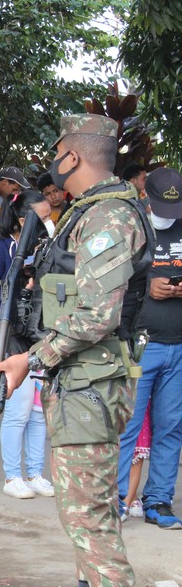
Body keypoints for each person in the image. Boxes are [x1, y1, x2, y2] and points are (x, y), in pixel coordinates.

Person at [0, 114, 150, 587]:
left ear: (73, 156)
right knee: (84, 512)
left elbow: (99, 315)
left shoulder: (108, 216)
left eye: (57, 152)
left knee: (88, 514)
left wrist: (32, 358)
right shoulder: (90, 211)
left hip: (92, 382)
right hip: (82, 379)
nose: (53, 162)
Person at [0, 190, 54, 499]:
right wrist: (18, 296)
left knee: (37, 412)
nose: (49, 223)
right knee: (18, 410)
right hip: (8, 337)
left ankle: (35, 473)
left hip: (37, 338)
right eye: (43, 218)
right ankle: (13, 476)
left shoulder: (44, 249)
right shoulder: (0, 248)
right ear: (23, 220)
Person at [115, 166, 182, 530]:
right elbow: (111, 279)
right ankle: (117, 500)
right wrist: (149, 283)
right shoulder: (133, 228)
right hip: (141, 345)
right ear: (147, 197)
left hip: (178, 346)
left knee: (170, 427)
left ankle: (159, 501)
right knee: (127, 425)